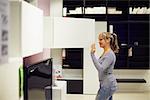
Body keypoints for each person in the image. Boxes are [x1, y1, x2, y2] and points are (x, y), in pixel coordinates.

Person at [90, 32, 119, 100]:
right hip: (105, 84)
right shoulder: (105, 53)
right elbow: (100, 64)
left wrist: (92, 54)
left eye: (101, 39)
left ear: (108, 40)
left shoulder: (110, 55)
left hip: (108, 85)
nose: (99, 42)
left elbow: (100, 69)